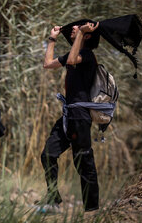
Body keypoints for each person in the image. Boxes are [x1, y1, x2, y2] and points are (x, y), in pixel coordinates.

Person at [40, 21, 100, 212]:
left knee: (84, 162)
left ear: (87, 35)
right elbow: (48, 64)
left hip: (81, 116)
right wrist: (52, 39)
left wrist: (82, 33)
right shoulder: (73, 54)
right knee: (48, 154)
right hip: (68, 115)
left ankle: (92, 210)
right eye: (75, 27)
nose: (74, 28)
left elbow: (73, 59)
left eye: (79, 27)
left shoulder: (87, 55)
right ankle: (53, 198)